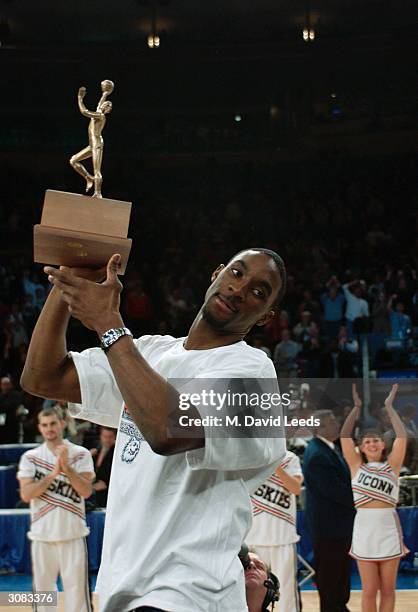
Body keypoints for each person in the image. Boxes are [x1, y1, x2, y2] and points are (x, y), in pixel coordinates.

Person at [21, 247, 287, 612]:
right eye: (237, 274)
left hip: (187, 593)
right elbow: (43, 377)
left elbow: (169, 431)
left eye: (258, 291)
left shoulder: (252, 372)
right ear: (217, 274)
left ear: (264, 318)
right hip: (125, 589)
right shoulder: (150, 353)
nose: (239, 289)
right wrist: (72, 276)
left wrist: (108, 324)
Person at [17, 405, 94, 612]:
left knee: (77, 593)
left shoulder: (80, 454)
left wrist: (67, 468)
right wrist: (53, 474)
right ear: (40, 428)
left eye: (53, 424)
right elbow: (26, 495)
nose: (49, 428)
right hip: (42, 535)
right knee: (43, 595)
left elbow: (86, 491)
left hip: (73, 533)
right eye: (44, 425)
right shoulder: (30, 457)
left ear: (62, 424)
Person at [340, 384, 407, 612]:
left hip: (388, 527)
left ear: (383, 444)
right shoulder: (356, 467)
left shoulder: (392, 466)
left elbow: (402, 436)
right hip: (364, 529)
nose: (372, 443)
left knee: (388, 588)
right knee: (369, 589)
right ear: (361, 448)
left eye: (376, 440)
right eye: (367, 441)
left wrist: (389, 407)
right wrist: (356, 408)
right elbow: (344, 436)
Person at [302, 409, 355, 612]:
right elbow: (335, 491)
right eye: (331, 422)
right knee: (331, 576)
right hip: (329, 529)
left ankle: (339, 607)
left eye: (335, 420)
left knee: (338, 574)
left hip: (336, 528)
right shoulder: (317, 455)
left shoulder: (327, 449)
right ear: (318, 427)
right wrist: (362, 495)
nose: (336, 423)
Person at [247, 449, 303, 611]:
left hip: (283, 538)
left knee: (286, 594)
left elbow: (296, 488)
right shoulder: (249, 456)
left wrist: (275, 466)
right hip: (253, 538)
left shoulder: (289, 458)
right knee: (252, 592)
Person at [70, 80, 114, 198]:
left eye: (107, 105)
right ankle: (88, 178)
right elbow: (100, 104)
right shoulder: (99, 110)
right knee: (73, 161)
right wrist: (105, 93)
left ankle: (98, 193)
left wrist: (80, 98)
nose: (104, 105)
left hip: (97, 144)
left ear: (107, 109)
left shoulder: (100, 115)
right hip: (91, 144)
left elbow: (84, 111)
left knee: (97, 170)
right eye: (106, 104)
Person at [90, 426, 116, 507]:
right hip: (94, 495)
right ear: (101, 437)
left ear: (115, 437)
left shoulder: (116, 452)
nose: (107, 440)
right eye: (105, 437)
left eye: (110, 437)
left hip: (109, 495)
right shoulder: (96, 450)